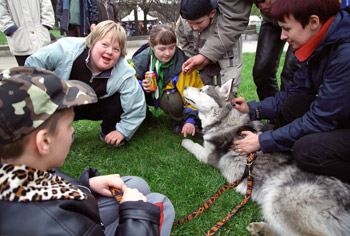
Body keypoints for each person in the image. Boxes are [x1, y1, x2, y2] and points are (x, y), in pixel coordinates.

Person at [0, 67, 175, 236]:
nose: (73, 131)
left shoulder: (17, 170)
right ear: (44, 142)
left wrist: (87, 185)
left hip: (79, 210)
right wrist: (137, 214)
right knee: (160, 203)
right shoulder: (62, 227)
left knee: (136, 184)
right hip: (83, 225)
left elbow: (50, 183)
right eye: (69, 126)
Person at [232, 0, 350, 183]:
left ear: (313, 22)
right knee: (292, 104)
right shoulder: (320, 44)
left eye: (287, 28)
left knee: (307, 151)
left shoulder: (345, 54)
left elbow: (321, 119)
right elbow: (292, 94)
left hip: (338, 121)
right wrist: (252, 108)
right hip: (342, 117)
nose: (282, 36)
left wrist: (262, 141)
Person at [25, 21, 146, 147]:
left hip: (97, 105)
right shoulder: (66, 49)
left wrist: (123, 131)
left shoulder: (124, 73)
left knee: (117, 100)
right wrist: (48, 87)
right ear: (92, 43)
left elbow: (137, 105)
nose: (110, 51)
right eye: (105, 44)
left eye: (116, 49)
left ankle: (109, 130)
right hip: (63, 104)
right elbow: (33, 64)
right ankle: (61, 129)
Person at [131, 25, 204, 136]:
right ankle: (143, 116)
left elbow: (195, 93)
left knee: (172, 101)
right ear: (151, 45)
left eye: (171, 47)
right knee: (130, 90)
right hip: (148, 95)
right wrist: (140, 85)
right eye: (162, 49)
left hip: (166, 97)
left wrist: (191, 121)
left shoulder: (183, 64)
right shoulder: (142, 58)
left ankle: (179, 120)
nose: (168, 53)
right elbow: (125, 82)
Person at [179, 0, 251, 92]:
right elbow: (184, 42)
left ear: (212, 13)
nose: (195, 28)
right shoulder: (182, 23)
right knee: (205, 92)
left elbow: (231, 64)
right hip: (202, 62)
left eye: (199, 22)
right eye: (190, 23)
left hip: (225, 58)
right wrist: (195, 60)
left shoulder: (226, 27)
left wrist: (229, 91)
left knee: (225, 95)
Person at [252, 0, 301, 101]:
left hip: (299, 17)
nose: (261, 6)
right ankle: (273, 112)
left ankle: (290, 113)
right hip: (271, 20)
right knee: (262, 70)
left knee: (291, 71)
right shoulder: (266, 9)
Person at [0, 0, 55, 66]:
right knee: (25, 73)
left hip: (40, 34)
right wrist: (9, 27)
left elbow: (46, 4)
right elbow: (2, 11)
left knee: (45, 72)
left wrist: (46, 24)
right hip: (20, 37)